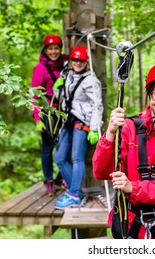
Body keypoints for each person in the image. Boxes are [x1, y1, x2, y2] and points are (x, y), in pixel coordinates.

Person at [92, 63, 155, 239]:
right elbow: (101, 171)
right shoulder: (128, 128)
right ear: (149, 95)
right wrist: (110, 133)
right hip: (128, 224)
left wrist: (133, 187)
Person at [53, 45, 103, 210]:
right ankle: (76, 190)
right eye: (75, 60)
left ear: (86, 61)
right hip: (67, 121)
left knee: (76, 158)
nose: (77, 63)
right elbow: (65, 98)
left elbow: (97, 105)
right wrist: (57, 88)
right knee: (59, 157)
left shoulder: (91, 81)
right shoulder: (67, 75)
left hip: (82, 122)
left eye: (81, 60)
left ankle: (74, 195)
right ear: (71, 60)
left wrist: (95, 128)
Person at [31, 34, 69, 196]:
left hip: (64, 111)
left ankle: (60, 177)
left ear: (60, 49)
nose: (53, 52)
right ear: (45, 50)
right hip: (47, 112)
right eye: (50, 49)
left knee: (65, 145)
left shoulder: (65, 63)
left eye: (56, 48)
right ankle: (49, 180)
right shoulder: (40, 69)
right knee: (47, 148)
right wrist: (37, 117)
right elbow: (35, 94)